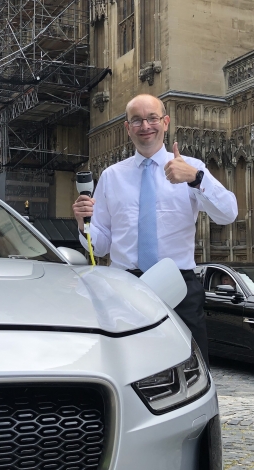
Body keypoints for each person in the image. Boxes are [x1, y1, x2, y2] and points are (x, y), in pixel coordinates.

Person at [72, 94, 238, 365]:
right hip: (125, 286)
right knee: (129, 363)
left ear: (165, 122)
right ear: (128, 128)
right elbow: (100, 246)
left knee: (190, 364)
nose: (145, 126)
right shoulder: (112, 176)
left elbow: (228, 214)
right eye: (136, 120)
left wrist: (197, 180)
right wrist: (83, 224)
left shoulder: (191, 168)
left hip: (177, 284)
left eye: (152, 118)